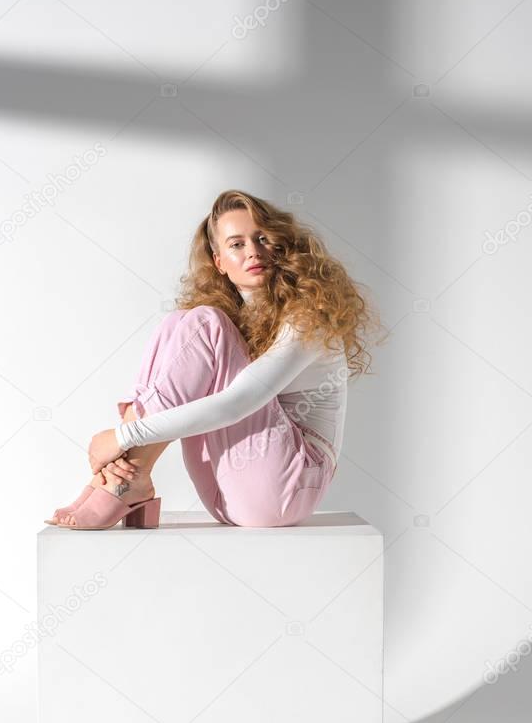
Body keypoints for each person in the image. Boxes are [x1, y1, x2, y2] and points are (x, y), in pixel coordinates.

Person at [45, 189, 383, 530]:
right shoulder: (235, 321)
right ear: (219, 261)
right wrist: (127, 435)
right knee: (179, 323)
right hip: (228, 491)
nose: (253, 251)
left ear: (282, 246)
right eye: (236, 244)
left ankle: (121, 482)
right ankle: (127, 479)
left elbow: (237, 404)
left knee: (204, 323)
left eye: (263, 238)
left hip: (287, 488)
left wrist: (122, 436)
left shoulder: (309, 315)